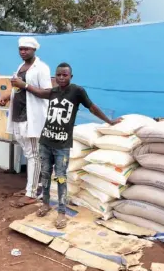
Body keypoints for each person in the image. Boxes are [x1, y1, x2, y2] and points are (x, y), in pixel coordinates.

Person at [12, 63, 121, 228]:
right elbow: (40, 92)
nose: (61, 78)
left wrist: (109, 121)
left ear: (71, 76)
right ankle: (46, 204)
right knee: (46, 175)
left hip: (62, 145)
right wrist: (25, 86)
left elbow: (92, 108)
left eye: (65, 75)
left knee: (61, 178)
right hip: (45, 142)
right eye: (59, 75)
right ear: (55, 77)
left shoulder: (77, 92)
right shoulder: (54, 91)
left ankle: (61, 212)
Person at [0, 37, 52, 208]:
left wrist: (25, 85)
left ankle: (32, 193)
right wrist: (8, 96)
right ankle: (32, 186)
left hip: (32, 117)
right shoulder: (21, 67)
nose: (23, 52)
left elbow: (47, 93)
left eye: (26, 49)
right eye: (21, 49)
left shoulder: (42, 68)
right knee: (29, 154)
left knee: (34, 155)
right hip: (19, 114)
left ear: (34, 50)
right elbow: (18, 89)